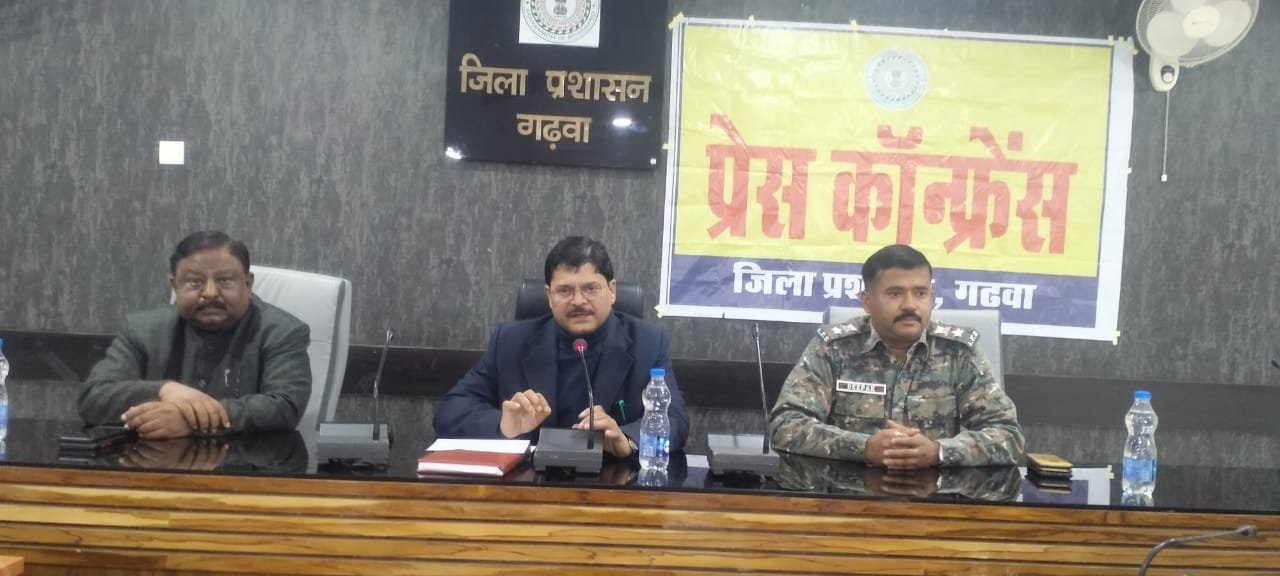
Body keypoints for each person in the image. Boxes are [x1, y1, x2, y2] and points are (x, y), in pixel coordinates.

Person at [769, 244, 1024, 468]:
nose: (910, 305)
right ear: (867, 301)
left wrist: (940, 452)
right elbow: (786, 425)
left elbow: (1009, 435)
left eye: (920, 293)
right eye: (895, 293)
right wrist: (863, 448)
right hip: (848, 498)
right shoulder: (833, 348)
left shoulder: (958, 352)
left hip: (935, 498)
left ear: (931, 298)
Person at [434, 236, 688, 458]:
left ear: (611, 291)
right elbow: (449, 412)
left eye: (591, 289)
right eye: (564, 291)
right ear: (549, 296)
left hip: (612, 483)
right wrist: (503, 426)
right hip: (529, 484)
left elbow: (675, 420)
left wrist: (627, 440)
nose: (578, 301)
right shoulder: (511, 342)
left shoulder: (647, 343)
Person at [78, 231, 311, 439]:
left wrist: (190, 421)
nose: (210, 293)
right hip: (154, 467)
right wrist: (164, 390)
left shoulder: (281, 331)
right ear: (175, 286)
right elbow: (93, 399)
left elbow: (285, 406)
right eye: (194, 282)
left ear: (248, 284)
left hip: (247, 467)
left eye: (224, 281)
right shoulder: (143, 329)